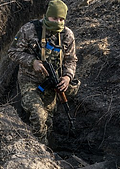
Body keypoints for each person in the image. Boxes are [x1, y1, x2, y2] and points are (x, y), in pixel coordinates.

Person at [8, 0, 78, 144]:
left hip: (52, 84)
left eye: (61, 19)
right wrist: (32, 62)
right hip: (29, 80)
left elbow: (71, 60)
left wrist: (67, 77)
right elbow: (13, 52)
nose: (58, 22)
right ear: (47, 16)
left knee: (48, 120)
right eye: (54, 18)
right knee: (38, 115)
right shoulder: (29, 29)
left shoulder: (67, 35)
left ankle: (47, 149)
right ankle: (41, 151)